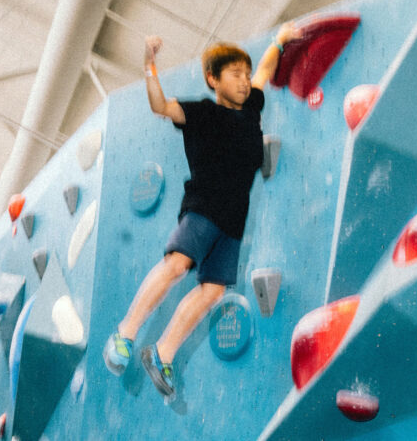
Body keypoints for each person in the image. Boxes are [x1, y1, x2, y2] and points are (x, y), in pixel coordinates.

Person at [103, 22, 302, 398]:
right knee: (177, 265)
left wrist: (278, 41)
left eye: (245, 74)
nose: (245, 81)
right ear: (213, 78)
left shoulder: (252, 108)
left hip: (233, 220)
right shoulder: (202, 113)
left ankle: (162, 353)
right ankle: (125, 334)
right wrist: (149, 65)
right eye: (235, 75)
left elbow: (264, 71)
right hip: (203, 207)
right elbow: (160, 106)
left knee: (212, 291)